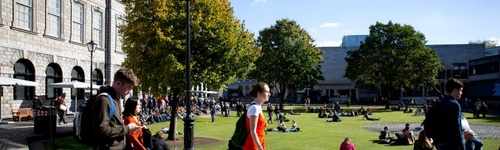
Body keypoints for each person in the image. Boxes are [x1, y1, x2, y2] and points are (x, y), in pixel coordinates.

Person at [92, 68, 143, 150]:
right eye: (128, 87)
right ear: (118, 83)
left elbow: (115, 125)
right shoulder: (104, 100)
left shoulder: (116, 99)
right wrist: (127, 129)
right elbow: (101, 130)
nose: (130, 91)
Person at [434, 78, 465, 150]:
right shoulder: (454, 104)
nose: (461, 93)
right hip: (451, 142)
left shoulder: (440, 102)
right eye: (460, 90)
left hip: (439, 141)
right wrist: (462, 145)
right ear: (455, 90)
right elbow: (457, 126)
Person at [243, 82, 270, 150]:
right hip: (253, 144)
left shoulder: (258, 107)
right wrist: (260, 148)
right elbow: (253, 131)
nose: (269, 94)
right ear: (259, 93)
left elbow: (258, 126)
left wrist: (264, 124)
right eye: (267, 92)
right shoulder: (254, 108)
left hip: (259, 141)